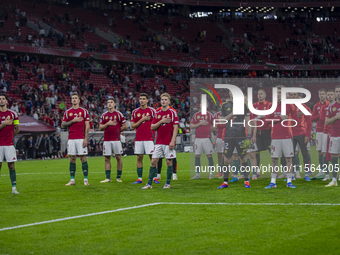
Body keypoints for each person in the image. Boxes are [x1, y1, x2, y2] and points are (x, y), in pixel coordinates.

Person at [262, 85, 298, 189]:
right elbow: (265, 122)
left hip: (287, 136)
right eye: (277, 93)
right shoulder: (270, 106)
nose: (279, 95)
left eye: (281, 93)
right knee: (274, 159)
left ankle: (289, 181)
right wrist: (279, 118)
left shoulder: (290, 106)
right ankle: (273, 182)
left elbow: (295, 121)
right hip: (275, 137)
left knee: (289, 159)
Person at [218, 90, 255, 189]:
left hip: (241, 135)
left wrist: (249, 135)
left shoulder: (243, 105)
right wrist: (232, 114)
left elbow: (248, 121)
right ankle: (225, 182)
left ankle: (247, 180)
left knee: (243, 158)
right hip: (229, 135)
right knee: (226, 159)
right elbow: (221, 121)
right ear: (229, 93)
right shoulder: (225, 105)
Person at [142, 93, 178, 189]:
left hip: (168, 141)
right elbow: (152, 127)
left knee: (169, 162)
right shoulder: (157, 114)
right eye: (162, 99)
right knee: (153, 161)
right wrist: (161, 121)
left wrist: (173, 141)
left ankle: (167, 183)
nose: (164, 101)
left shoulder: (172, 112)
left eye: (166, 99)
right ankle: (149, 184)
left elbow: (176, 127)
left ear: (169, 101)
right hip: (158, 142)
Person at [62, 92, 90, 186]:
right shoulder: (67, 112)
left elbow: (87, 126)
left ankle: (85, 179)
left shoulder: (84, 111)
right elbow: (63, 125)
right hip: (71, 138)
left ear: (79, 100)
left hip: (81, 138)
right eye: (73, 98)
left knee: (83, 157)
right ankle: (72, 180)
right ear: (71, 100)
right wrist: (73, 121)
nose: (74, 99)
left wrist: (86, 138)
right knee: (72, 158)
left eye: (75, 98)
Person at [99, 96, 127, 183]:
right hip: (107, 140)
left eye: (111, 102)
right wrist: (108, 124)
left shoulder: (119, 114)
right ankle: (108, 178)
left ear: (114, 104)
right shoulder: (104, 115)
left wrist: (117, 131)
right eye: (108, 102)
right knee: (107, 158)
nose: (109, 104)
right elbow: (100, 128)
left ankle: (118, 177)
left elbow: (125, 126)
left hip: (116, 139)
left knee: (118, 157)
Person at [131, 93, 156, 184]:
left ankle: (155, 177)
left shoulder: (153, 111)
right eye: (140, 99)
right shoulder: (135, 112)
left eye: (144, 99)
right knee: (139, 157)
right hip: (139, 138)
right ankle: (140, 178)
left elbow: (157, 124)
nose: (142, 100)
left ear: (147, 100)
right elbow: (132, 126)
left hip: (149, 137)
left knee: (152, 157)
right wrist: (142, 119)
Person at [0, 93, 20, 194]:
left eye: (3, 99)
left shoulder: (13, 114)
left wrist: (11, 136)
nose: (1, 100)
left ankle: (14, 188)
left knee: (11, 166)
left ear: (7, 101)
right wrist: (4, 124)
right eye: (0, 99)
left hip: (9, 144)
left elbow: (17, 129)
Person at [190, 106, 215, 180]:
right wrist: (200, 123)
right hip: (198, 138)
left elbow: (215, 125)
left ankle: (211, 173)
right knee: (197, 156)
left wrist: (209, 132)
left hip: (207, 138)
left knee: (209, 156)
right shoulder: (196, 115)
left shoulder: (210, 115)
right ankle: (197, 174)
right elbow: (191, 126)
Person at [325, 85, 340, 187]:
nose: (338, 93)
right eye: (337, 91)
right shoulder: (331, 107)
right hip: (335, 135)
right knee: (334, 158)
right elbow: (326, 121)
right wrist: (336, 117)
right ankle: (334, 180)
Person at [311, 88, 329, 177]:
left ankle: (327, 172)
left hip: (327, 130)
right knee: (319, 151)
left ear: (326, 95)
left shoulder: (329, 105)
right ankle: (321, 171)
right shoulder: (316, 106)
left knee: (326, 151)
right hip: (318, 130)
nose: (321, 95)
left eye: (323, 94)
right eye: (320, 94)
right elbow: (312, 118)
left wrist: (320, 118)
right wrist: (320, 116)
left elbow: (325, 119)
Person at [319, 89, 335, 181]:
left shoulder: (337, 106)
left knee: (336, 154)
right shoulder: (323, 107)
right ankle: (327, 175)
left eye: (331, 95)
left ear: (334, 96)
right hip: (325, 132)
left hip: (335, 133)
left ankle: (336, 174)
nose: (329, 96)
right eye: (328, 95)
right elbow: (322, 120)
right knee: (324, 153)